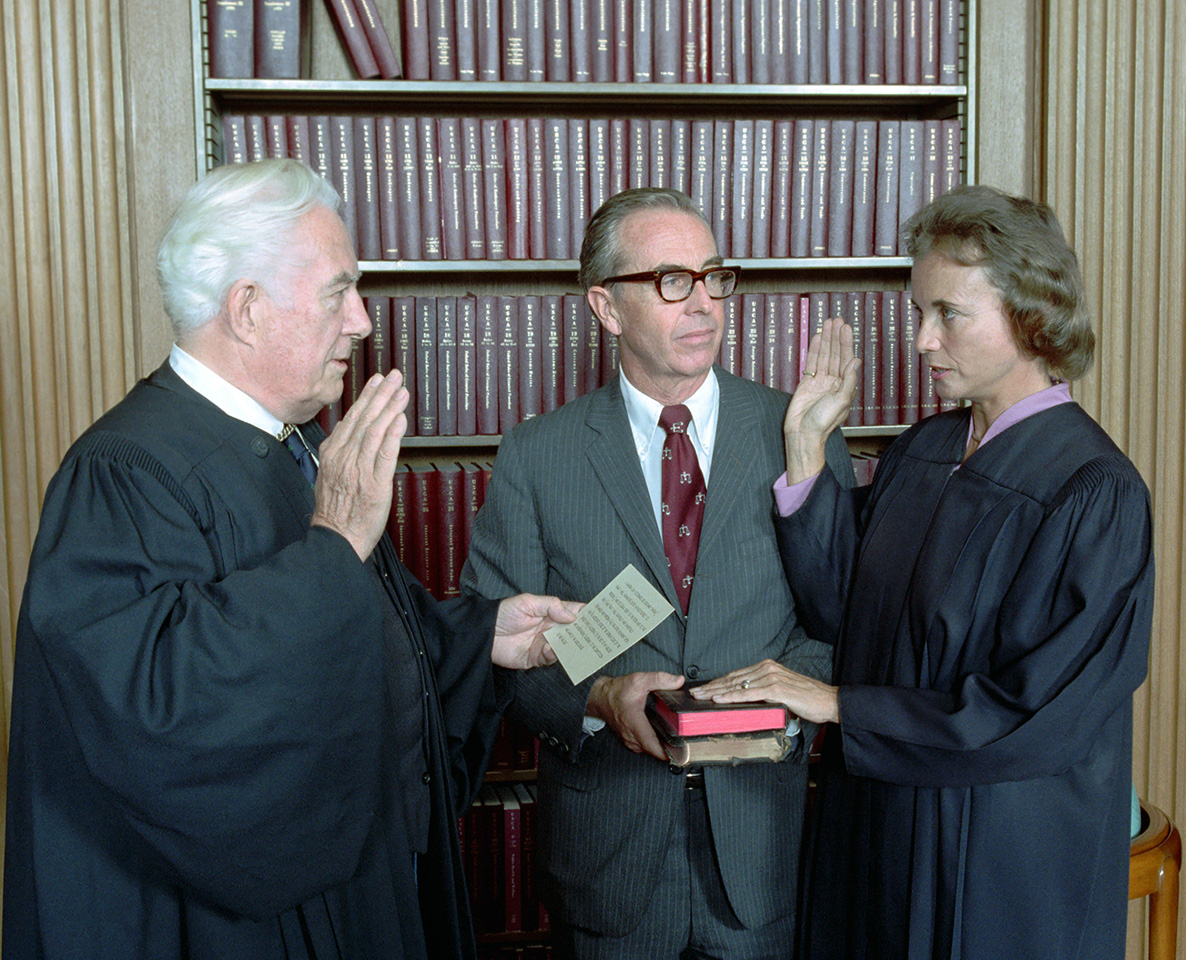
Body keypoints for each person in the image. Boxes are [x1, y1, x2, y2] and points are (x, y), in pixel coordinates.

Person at [2, 158, 581, 960]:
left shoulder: (296, 445)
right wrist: (336, 541)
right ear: (246, 309)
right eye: (339, 291)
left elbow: (355, 633)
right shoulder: (125, 475)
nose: (363, 323)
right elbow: (164, 710)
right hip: (227, 929)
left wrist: (480, 640)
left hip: (358, 897)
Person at [692, 185, 1153, 959]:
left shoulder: (1092, 491)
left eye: (949, 314)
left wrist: (841, 705)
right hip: (881, 824)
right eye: (919, 313)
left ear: (1032, 314)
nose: (921, 342)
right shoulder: (925, 450)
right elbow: (843, 612)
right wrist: (806, 445)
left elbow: (1034, 715)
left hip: (998, 855)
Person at [461, 187, 853, 958]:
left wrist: (754, 707)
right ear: (607, 307)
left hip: (762, 850)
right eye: (673, 281)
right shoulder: (537, 455)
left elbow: (838, 623)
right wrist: (600, 697)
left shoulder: (799, 432)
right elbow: (495, 649)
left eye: (714, 276)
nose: (703, 302)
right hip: (609, 854)